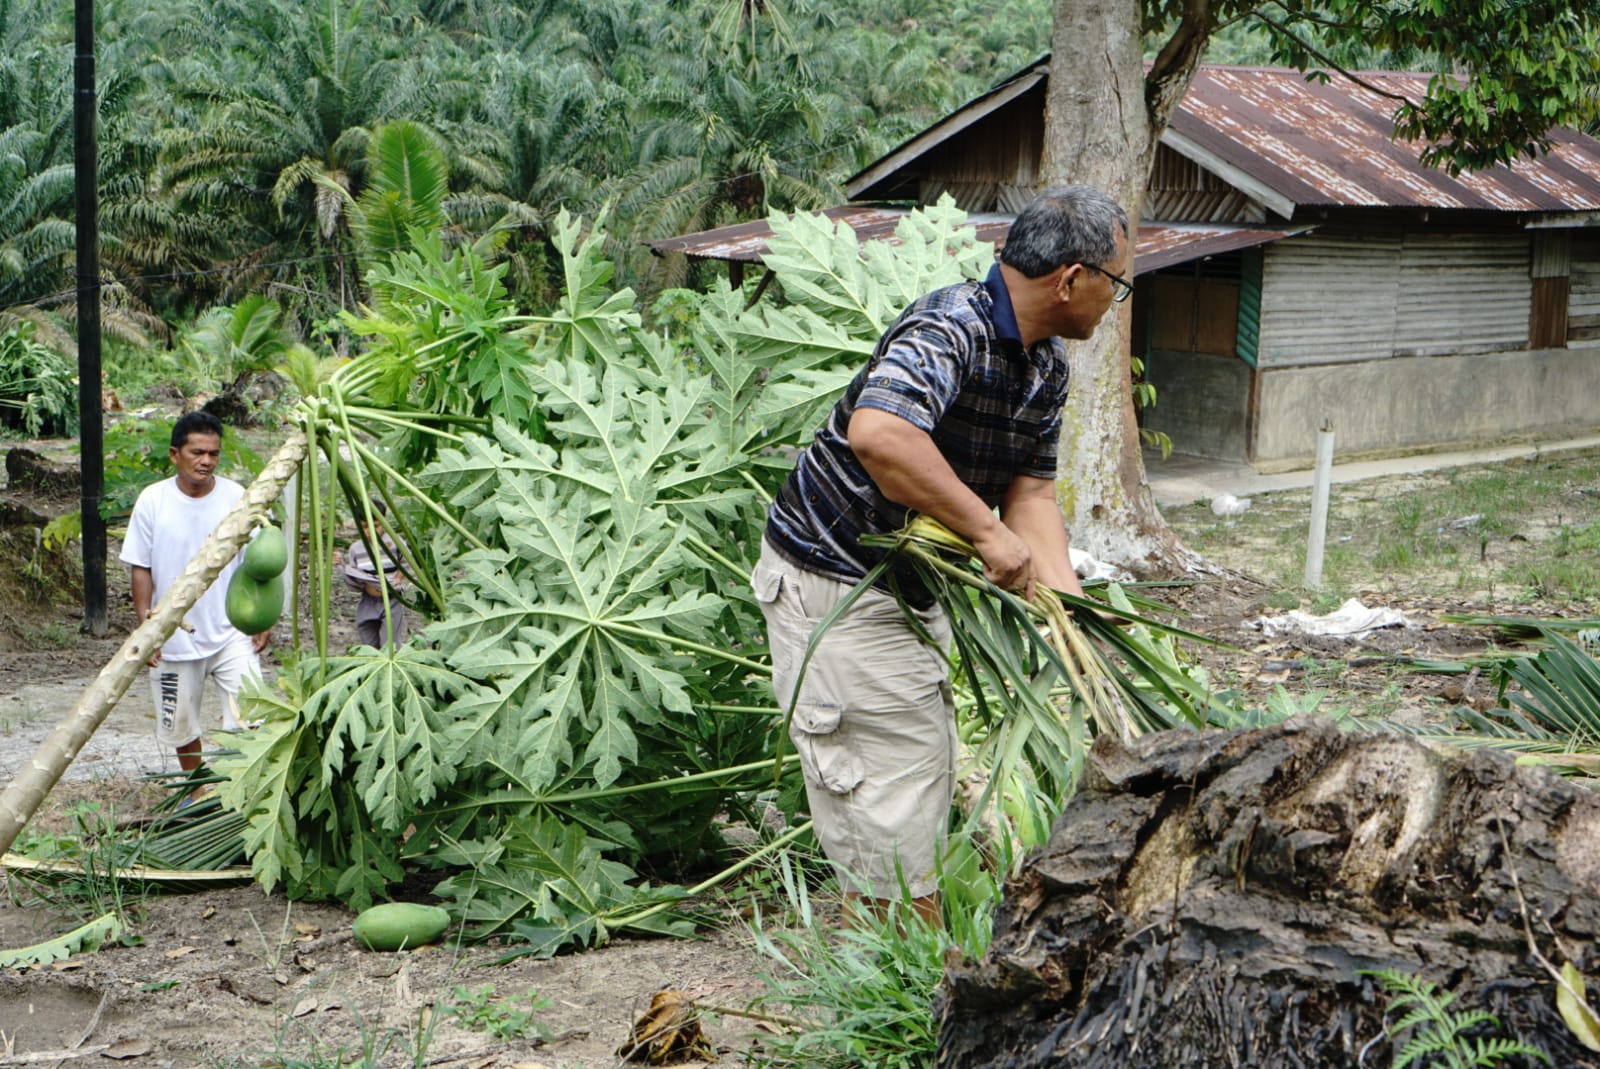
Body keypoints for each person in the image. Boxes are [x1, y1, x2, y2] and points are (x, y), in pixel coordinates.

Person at [752, 185, 1132, 924]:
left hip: (903, 586)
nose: (1113, 302)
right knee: (886, 791)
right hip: (838, 580)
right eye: (1116, 283)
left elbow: (1032, 497)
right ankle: (900, 983)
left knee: (913, 771)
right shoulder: (948, 325)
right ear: (1071, 279)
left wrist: (1071, 617)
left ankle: (901, 960)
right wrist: (987, 537)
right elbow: (881, 435)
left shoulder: (1044, 365)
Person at [122, 411, 271, 779]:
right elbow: (140, 566)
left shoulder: (237, 498)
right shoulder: (152, 501)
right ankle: (196, 791)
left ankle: (241, 787)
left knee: (252, 715)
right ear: (175, 454)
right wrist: (146, 625)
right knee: (181, 724)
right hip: (173, 633)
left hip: (231, 628)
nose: (206, 461)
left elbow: (257, 562)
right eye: (197, 452)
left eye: (214, 454)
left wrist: (263, 616)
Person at [340, 497, 408, 648]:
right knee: (368, 641)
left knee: (389, 645)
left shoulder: (395, 542)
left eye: (375, 526)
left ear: (384, 522)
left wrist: (398, 578)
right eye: (364, 527)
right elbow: (354, 576)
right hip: (368, 600)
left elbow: (407, 561)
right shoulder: (355, 549)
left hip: (391, 598)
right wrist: (340, 566)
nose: (370, 531)